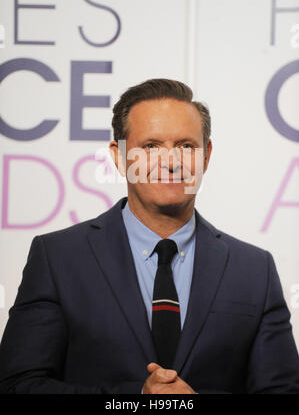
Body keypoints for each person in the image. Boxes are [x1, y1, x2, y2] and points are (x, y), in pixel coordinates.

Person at [0, 78, 298, 394]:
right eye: (150, 147)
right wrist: (136, 399)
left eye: (186, 146)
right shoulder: (58, 257)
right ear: (118, 156)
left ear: (206, 156)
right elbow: (18, 385)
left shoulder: (254, 269)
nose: (170, 162)